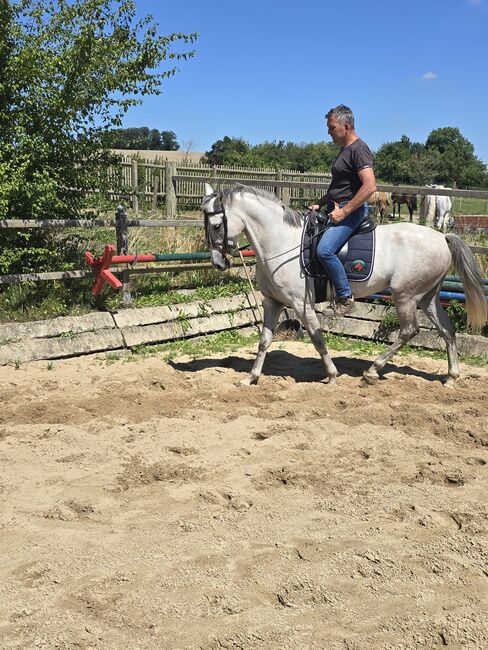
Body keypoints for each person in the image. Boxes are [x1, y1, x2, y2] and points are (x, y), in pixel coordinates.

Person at [309, 105, 376, 315]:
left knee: (324, 251)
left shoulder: (359, 149)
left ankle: (345, 298)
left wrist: (344, 212)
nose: (329, 132)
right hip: (335, 207)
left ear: (345, 126)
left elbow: (370, 186)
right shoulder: (345, 150)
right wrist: (320, 202)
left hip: (352, 211)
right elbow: (339, 186)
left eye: (332, 128)